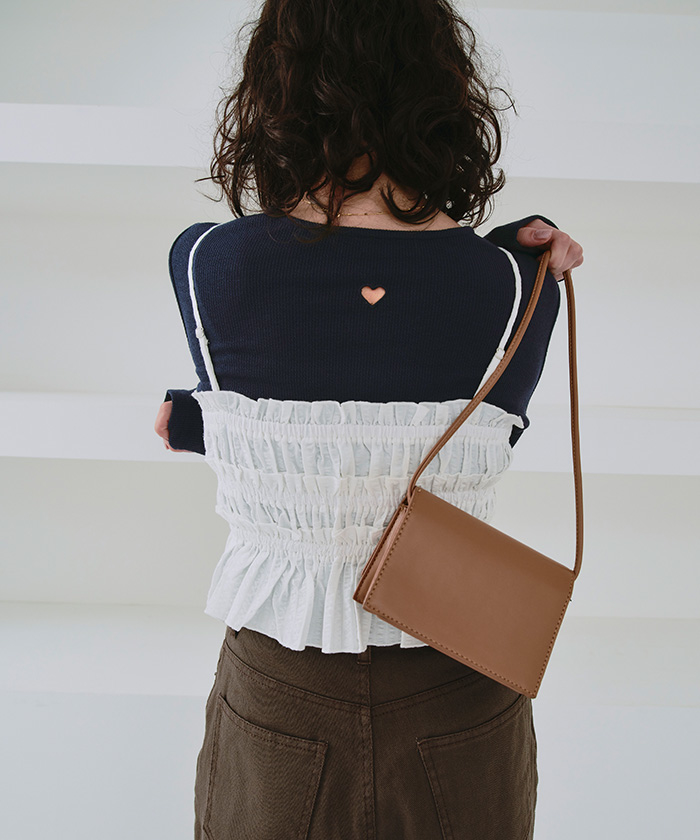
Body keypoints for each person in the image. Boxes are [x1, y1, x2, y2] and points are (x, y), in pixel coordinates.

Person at [154, 1, 583, 838]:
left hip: (281, 687)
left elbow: (285, 402)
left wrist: (193, 419)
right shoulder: (518, 284)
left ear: (277, 87)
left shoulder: (208, 263)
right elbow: (457, 413)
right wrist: (517, 257)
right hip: (463, 676)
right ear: (444, 90)